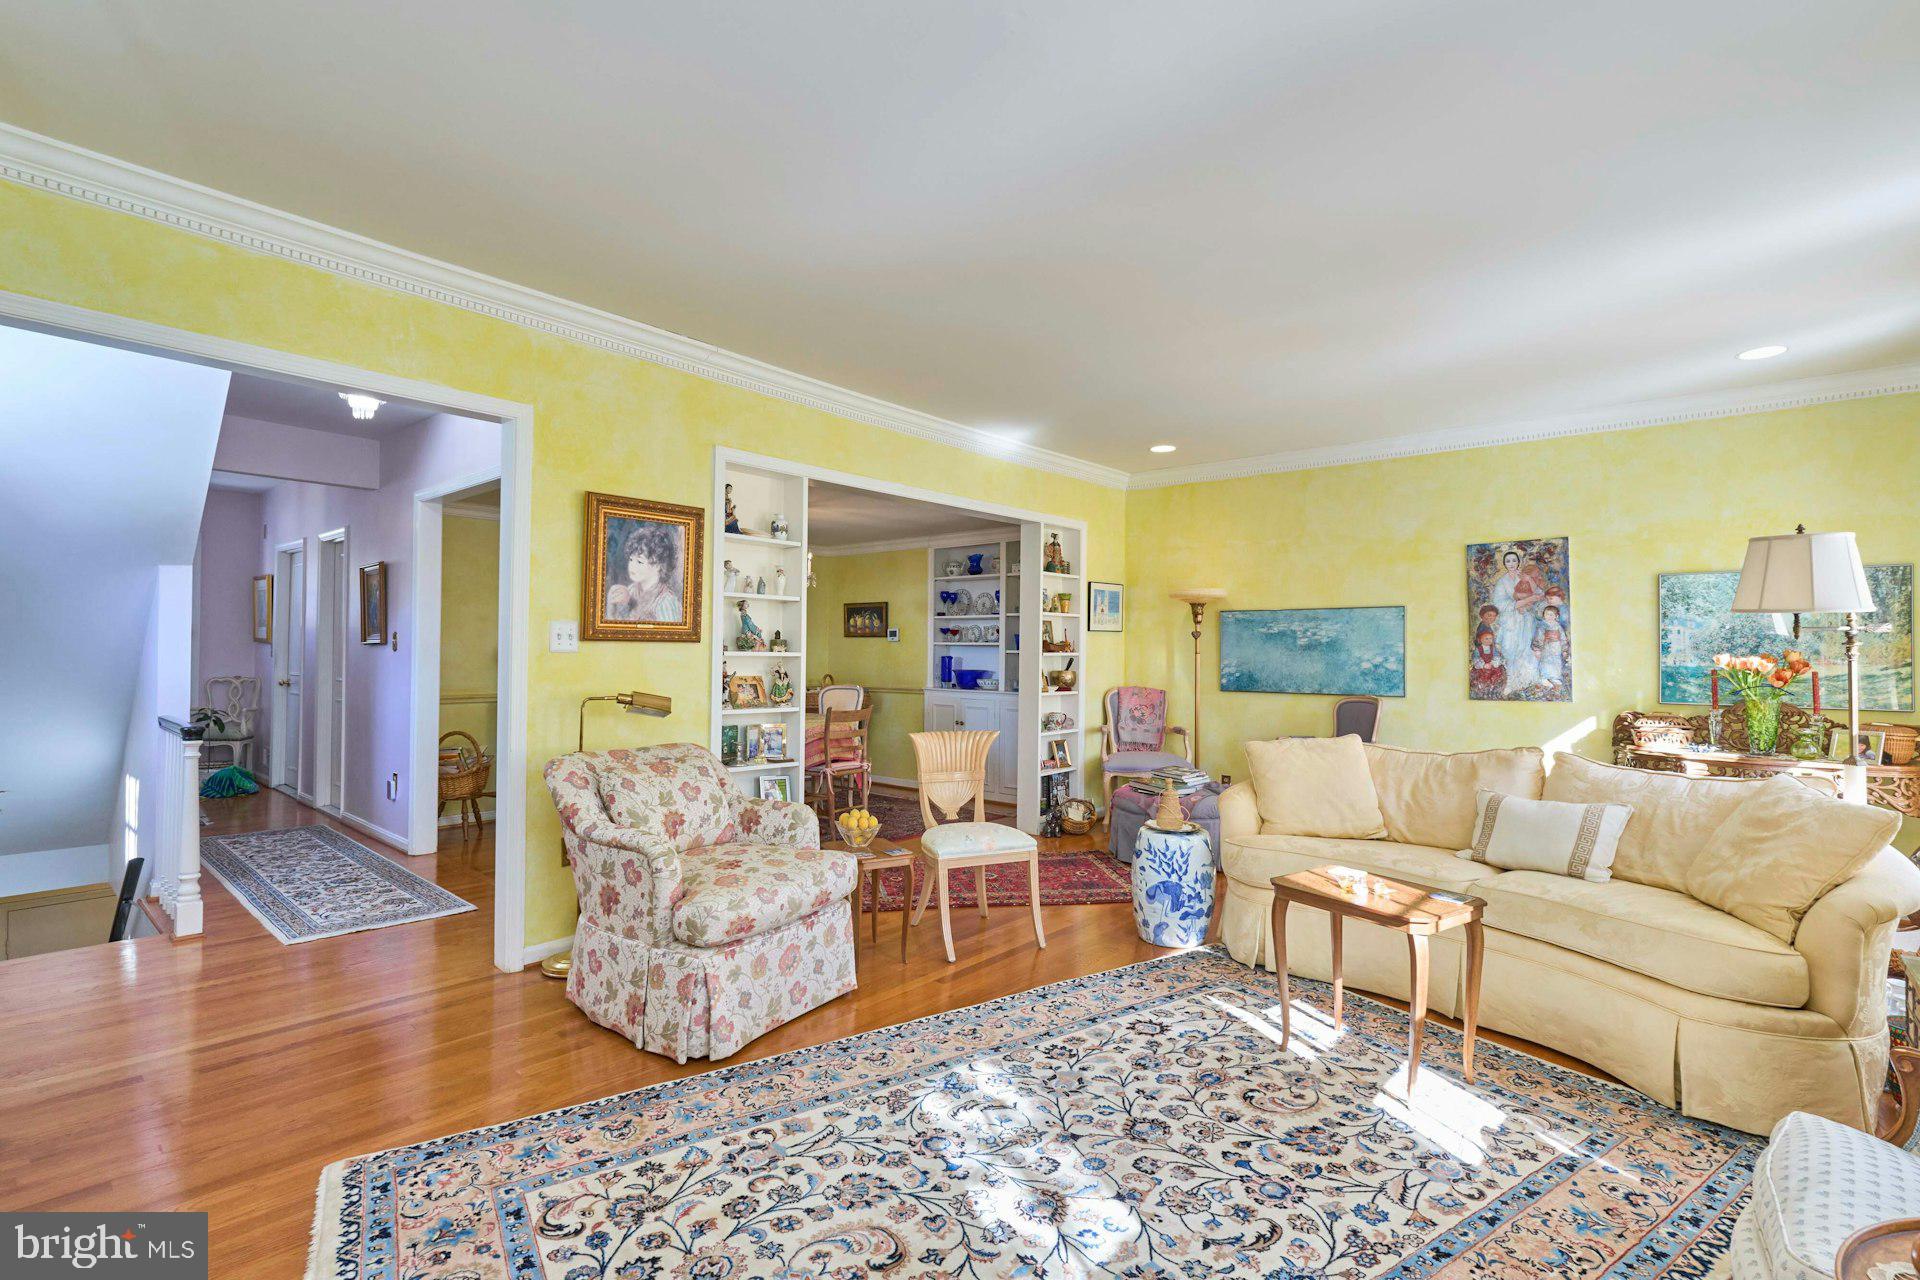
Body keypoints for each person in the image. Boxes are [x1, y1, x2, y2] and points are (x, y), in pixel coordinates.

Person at [605, 522, 682, 623]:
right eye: (631, 559)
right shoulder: (630, 591)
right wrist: (612, 607)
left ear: (658, 565)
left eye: (639, 561)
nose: (632, 566)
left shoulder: (666, 602)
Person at [1491, 549, 1542, 694]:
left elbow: (1538, 594)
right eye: (1508, 561)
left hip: (1526, 619)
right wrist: (1523, 601)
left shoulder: (1525, 577)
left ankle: (1528, 680)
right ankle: (1511, 682)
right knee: (1510, 648)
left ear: (1518, 562)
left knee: (1526, 647)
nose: (1511, 563)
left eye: (1514, 560)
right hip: (1510, 621)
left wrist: (1529, 599)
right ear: (1504, 564)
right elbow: (1499, 604)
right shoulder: (1502, 581)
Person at [1470, 628, 1506, 699]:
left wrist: (1493, 663)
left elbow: (1497, 656)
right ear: (1480, 640)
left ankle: (1494, 692)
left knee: (1498, 674)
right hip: (1481, 668)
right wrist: (1483, 665)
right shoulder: (1478, 649)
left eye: (1490, 639)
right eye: (1486, 639)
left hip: (1492, 666)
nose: (1489, 640)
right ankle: (1482, 693)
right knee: (1479, 678)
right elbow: (1475, 659)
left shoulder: (1493, 648)